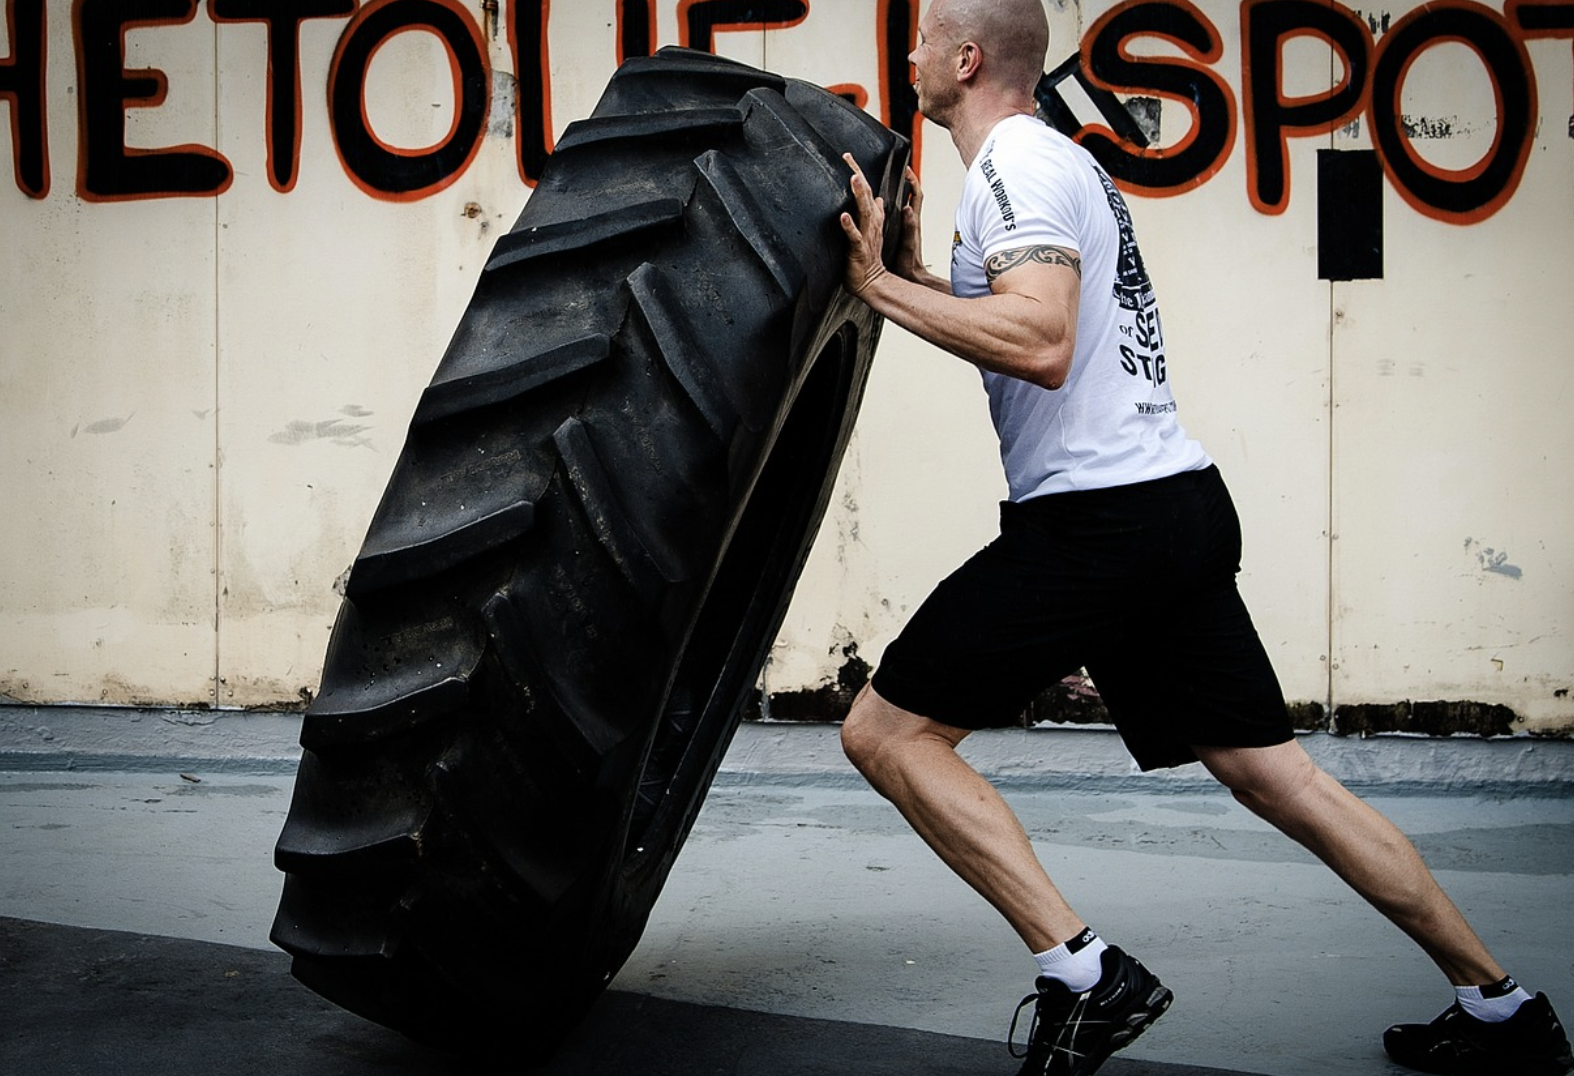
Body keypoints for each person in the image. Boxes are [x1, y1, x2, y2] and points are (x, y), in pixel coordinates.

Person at [834, 1, 1572, 1074]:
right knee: (1282, 779)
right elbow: (1046, 325)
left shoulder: (1014, 167)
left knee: (885, 734)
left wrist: (881, 289)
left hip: (1098, 521)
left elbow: (1038, 340)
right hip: (1166, 504)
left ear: (962, 58)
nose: (903, 57)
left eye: (916, 41)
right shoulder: (1055, 166)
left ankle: (1083, 974)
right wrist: (921, 272)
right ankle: (1504, 1004)